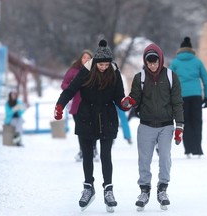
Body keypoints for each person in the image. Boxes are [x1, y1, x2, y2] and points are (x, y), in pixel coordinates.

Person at [54, 39, 127, 212]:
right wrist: (60, 105)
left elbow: (119, 97)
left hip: (108, 117)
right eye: (100, 64)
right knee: (87, 154)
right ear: (95, 63)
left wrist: (125, 103)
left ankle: (108, 189)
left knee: (105, 155)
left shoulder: (114, 72)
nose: (103, 67)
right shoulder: (86, 71)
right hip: (86, 116)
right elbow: (70, 89)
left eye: (106, 64)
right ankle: (88, 188)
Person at [121, 43, 184, 210]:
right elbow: (135, 98)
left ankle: (162, 188)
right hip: (146, 125)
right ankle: (144, 190)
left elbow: (177, 103)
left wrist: (179, 127)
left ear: (160, 60)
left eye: (155, 62)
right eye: (149, 62)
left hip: (166, 125)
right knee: (144, 160)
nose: (153, 65)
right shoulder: (139, 78)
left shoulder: (171, 77)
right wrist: (130, 102)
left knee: (164, 158)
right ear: (145, 62)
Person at [170, 36, 207, 158]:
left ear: (181, 49)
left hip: (181, 97)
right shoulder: (197, 62)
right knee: (197, 121)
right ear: (191, 49)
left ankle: (188, 149)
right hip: (196, 96)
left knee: (184, 122)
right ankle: (197, 149)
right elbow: (206, 79)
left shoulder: (175, 62)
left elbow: (170, 80)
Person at [61, 49, 99, 162]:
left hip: (93, 104)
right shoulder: (73, 71)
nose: (86, 59)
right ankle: (82, 150)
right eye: (84, 57)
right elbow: (64, 84)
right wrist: (72, 89)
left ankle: (93, 149)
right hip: (77, 105)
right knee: (81, 129)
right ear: (80, 59)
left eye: (88, 58)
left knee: (94, 128)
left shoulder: (96, 70)